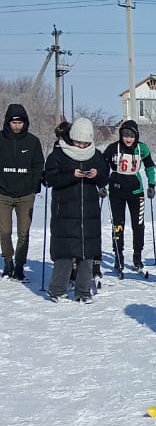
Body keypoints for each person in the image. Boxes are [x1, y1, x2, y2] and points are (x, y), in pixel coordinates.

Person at [43, 118, 109, 301]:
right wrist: (71, 176)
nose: (81, 145)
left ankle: (83, 291)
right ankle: (57, 289)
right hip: (64, 211)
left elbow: (105, 178)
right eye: (78, 141)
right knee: (64, 252)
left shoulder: (96, 155)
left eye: (85, 142)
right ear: (71, 138)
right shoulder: (58, 155)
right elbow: (49, 179)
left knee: (87, 252)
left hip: (88, 212)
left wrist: (97, 175)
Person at [101, 119, 156, 276]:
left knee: (138, 225)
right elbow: (103, 168)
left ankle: (137, 257)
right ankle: (118, 257)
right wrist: (102, 185)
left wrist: (151, 185)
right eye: (125, 135)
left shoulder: (142, 149)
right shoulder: (113, 148)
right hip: (116, 191)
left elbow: (150, 167)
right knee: (118, 225)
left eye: (131, 135)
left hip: (136, 192)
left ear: (136, 136)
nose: (128, 139)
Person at [0, 103, 44, 282]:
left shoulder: (32, 141)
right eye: (13, 122)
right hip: (3, 194)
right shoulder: (1, 139)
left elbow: (38, 165)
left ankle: (19, 265)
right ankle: (8, 261)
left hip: (25, 195)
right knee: (4, 231)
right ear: (7, 122)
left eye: (20, 122)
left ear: (25, 122)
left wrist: (33, 185)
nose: (17, 125)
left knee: (23, 232)